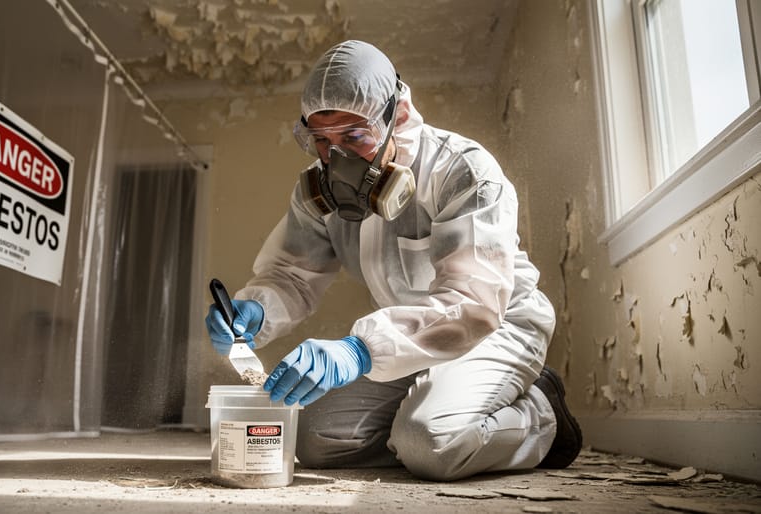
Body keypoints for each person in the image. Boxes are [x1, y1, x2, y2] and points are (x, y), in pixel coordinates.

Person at [204, 40, 581, 481]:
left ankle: (543, 412)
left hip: (495, 328)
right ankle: (434, 411)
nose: (336, 158)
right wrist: (257, 309)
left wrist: (359, 349)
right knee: (317, 439)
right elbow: (293, 275)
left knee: (432, 443)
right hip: (409, 341)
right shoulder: (318, 194)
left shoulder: (462, 171)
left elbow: (474, 302)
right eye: (321, 141)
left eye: (354, 137)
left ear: (397, 118)